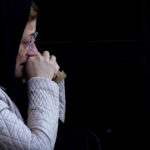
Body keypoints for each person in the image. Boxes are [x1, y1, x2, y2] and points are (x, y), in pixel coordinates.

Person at [0, 1, 66, 149]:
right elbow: (41, 146)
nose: (34, 52)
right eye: (26, 42)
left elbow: (57, 130)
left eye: (33, 39)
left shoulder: (12, 83)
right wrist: (42, 82)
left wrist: (55, 77)